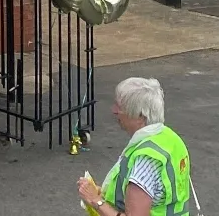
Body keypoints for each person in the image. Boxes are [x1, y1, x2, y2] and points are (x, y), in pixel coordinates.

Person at [78, 77, 196, 216]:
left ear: (140, 115)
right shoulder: (169, 138)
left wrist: (95, 200)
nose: (114, 110)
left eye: (120, 107)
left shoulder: (144, 161)